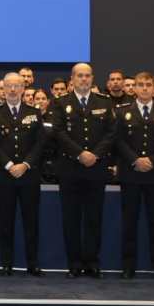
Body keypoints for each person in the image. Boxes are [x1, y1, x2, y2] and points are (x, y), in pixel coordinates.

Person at [50, 63, 116, 278]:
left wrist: (94, 154)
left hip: (95, 169)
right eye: (80, 76)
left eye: (87, 76)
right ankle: (74, 263)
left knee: (94, 218)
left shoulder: (104, 102)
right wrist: (80, 153)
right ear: (72, 79)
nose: (84, 79)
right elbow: (58, 132)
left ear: (92, 78)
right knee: (71, 218)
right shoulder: (60, 103)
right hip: (70, 169)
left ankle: (92, 262)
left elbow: (111, 133)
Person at [113, 72, 154, 280]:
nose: (144, 88)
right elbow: (118, 140)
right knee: (129, 222)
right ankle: (128, 266)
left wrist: (152, 160)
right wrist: (136, 160)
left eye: (148, 85)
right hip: (130, 174)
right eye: (140, 85)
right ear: (134, 88)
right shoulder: (122, 111)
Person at [0, 73, 46, 276]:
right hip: (5, 175)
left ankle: (32, 262)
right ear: (3, 89)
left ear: (23, 88)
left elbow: (40, 143)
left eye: (17, 86)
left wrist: (26, 164)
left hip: (29, 175)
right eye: (9, 86)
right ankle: (7, 263)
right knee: (5, 221)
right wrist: (10, 164)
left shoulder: (34, 112)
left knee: (32, 221)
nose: (12, 90)